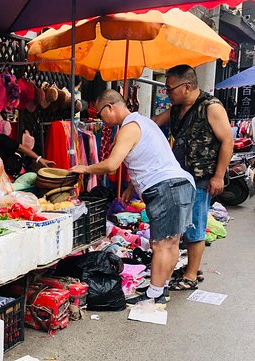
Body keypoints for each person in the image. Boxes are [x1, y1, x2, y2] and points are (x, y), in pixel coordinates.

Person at [70, 90, 195, 307]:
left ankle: (154, 295)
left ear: (110, 107)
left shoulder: (128, 128)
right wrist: (131, 187)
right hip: (181, 184)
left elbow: (111, 165)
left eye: (101, 114)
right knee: (172, 241)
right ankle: (160, 288)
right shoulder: (145, 123)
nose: (102, 120)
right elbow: (149, 158)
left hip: (165, 187)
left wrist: (85, 168)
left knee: (160, 245)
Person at [152, 65, 233, 291]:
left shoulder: (211, 107)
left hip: (201, 177)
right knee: (185, 224)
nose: (168, 93)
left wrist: (218, 176)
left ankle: (191, 275)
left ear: (186, 87)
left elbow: (228, 141)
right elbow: (156, 121)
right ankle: (191, 267)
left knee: (195, 224)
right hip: (180, 176)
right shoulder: (177, 108)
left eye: (170, 89)